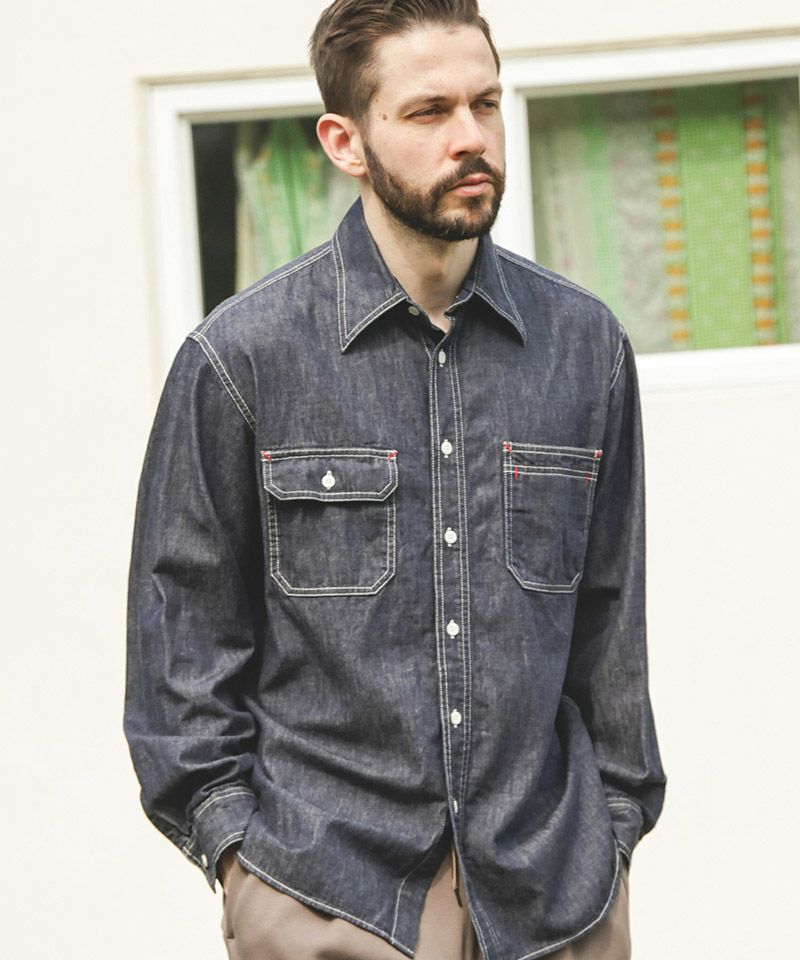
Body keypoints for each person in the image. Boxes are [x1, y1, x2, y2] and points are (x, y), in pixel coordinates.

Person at [124, 1, 667, 958]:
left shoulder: (585, 349)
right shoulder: (240, 360)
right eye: (428, 112)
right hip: (324, 893)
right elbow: (182, 653)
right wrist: (243, 864)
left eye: (485, 104)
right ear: (345, 141)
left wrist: (614, 831)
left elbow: (610, 627)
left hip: (556, 899)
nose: (472, 137)